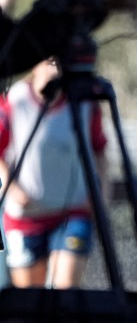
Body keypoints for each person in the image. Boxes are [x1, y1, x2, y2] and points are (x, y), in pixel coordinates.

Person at [0, 57, 109, 288]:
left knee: (65, 291)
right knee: (29, 299)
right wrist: (13, 189)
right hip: (26, 217)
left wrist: (100, 194)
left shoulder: (84, 102)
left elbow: (100, 151)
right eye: (49, 61)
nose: (55, 68)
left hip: (73, 213)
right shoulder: (15, 99)